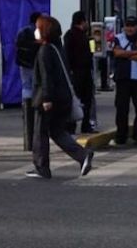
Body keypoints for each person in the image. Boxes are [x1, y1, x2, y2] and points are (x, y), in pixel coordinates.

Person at [26, 16, 94, 179]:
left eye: (37, 27)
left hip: (48, 98)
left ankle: (42, 167)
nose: (35, 31)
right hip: (64, 97)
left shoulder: (44, 51)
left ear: (44, 30)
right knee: (57, 131)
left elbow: (46, 77)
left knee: (40, 133)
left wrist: (46, 99)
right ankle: (82, 155)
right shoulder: (58, 48)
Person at [112, 16, 137, 145]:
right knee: (121, 108)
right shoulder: (118, 38)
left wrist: (126, 54)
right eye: (127, 25)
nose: (130, 28)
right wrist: (135, 53)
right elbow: (117, 53)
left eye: (132, 25)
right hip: (123, 78)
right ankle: (121, 136)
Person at [63, 11, 96, 133]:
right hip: (82, 72)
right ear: (82, 21)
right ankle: (85, 124)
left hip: (75, 72)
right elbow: (91, 53)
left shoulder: (69, 35)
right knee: (86, 100)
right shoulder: (83, 36)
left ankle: (71, 126)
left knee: (74, 99)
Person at [16, 12, 42, 148]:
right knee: (35, 87)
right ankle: (32, 109)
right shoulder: (37, 32)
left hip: (23, 65)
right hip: (35, 64)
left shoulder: (22, 31)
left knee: (26, 87)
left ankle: (26, 108)